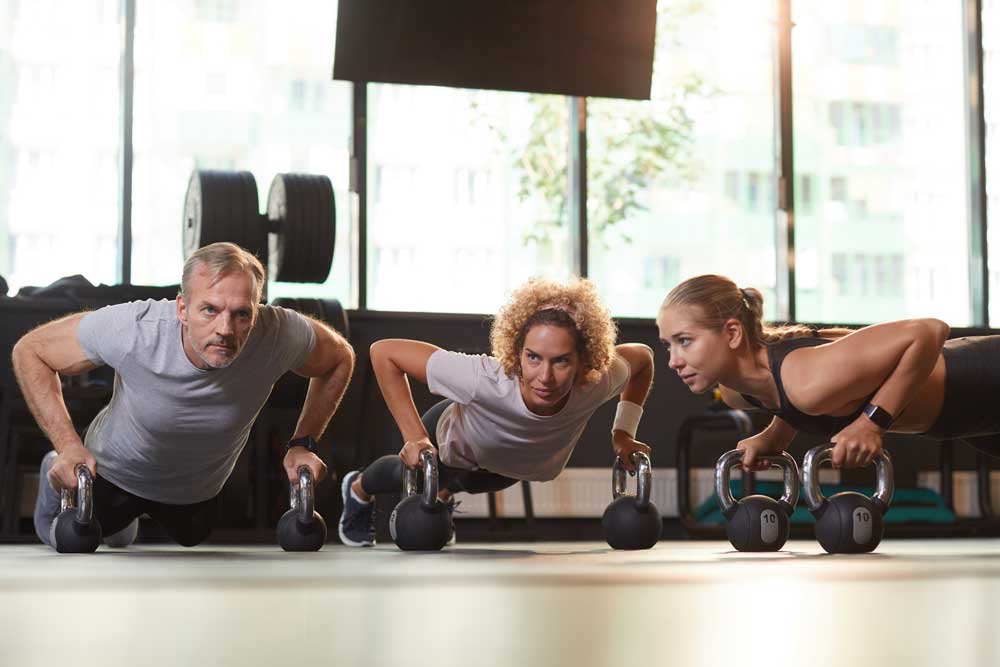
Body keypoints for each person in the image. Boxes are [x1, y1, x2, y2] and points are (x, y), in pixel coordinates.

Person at [12, 242, 355, 550]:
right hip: (112, 473)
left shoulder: (277, 332)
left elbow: (340, 358)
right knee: (71, 536)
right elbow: (31, 351)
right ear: (181, 309)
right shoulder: (135, 328)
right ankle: (54, 470)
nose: (225, 329)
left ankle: (119, 528)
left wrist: (303, 443)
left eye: (241, 314)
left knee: (191, 538)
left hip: (195, 491)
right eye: (209, 309)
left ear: (256, 310)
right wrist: (68, 444)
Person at [338, 277, 654, 547]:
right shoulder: (484, 377)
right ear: (517, 352)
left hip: (510, 465)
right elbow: (385, 353)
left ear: (583, 361)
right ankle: (358, 488)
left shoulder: (595, 382)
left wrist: (623, 434)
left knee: (482, 482)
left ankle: (444, 495)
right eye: (533, 358)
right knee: (415, 476)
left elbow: (643, 358)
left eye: (561, 361)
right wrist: (414, 436)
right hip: (452, 440)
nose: (544, 377)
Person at [654, 273, 1000, 471]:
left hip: (983, 377)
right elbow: (792, 395)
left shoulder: (807, 378)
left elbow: (929, 330)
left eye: (685, 341)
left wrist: (871, 422)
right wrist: (777, 435)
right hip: (967, 420)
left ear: (732, 333)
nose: (673, 360)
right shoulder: (737, 391)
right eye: (669, 344)